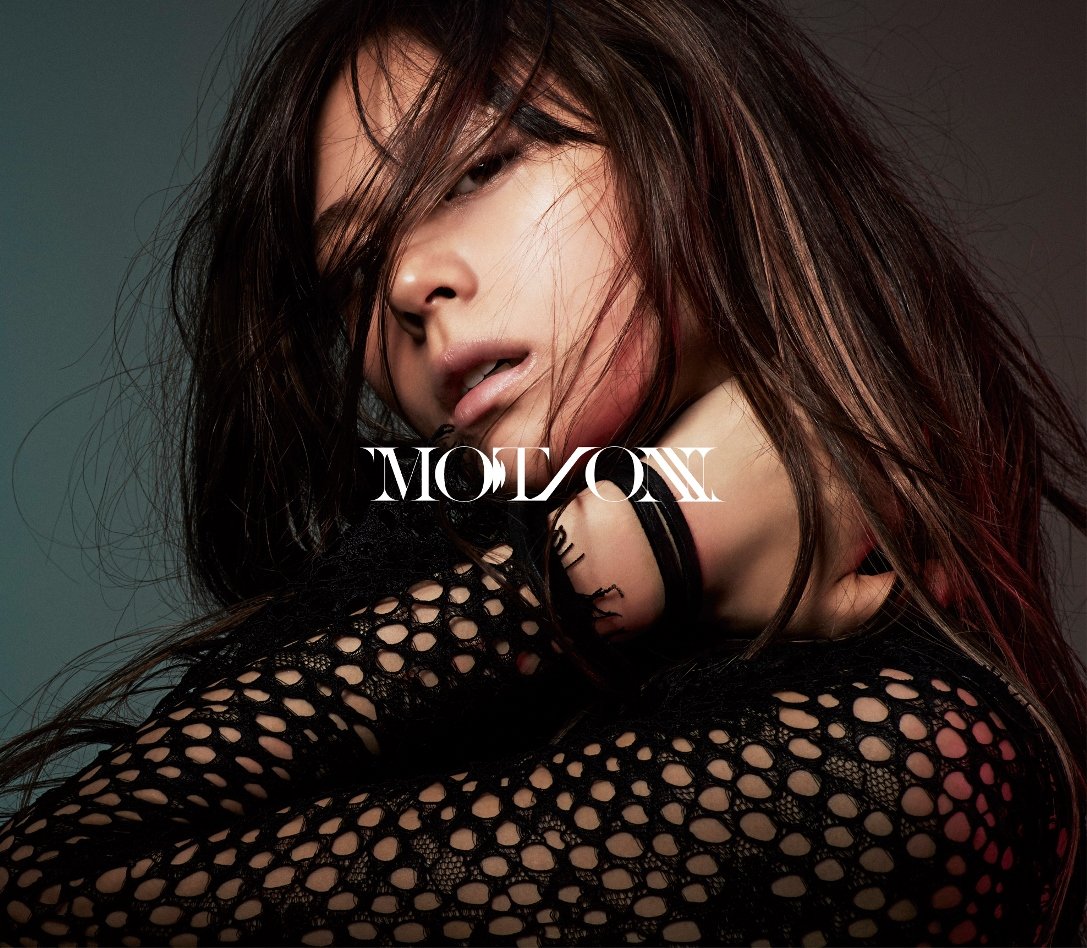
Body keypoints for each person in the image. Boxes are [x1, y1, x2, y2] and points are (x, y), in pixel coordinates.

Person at [1, 0, 1084, 944]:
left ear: (691, 137)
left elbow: (45, 898)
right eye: (356, 266)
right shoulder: (439, 598)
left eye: (481, 166)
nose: (408, 283)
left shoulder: (897, 759)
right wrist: (639, 541)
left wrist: (631, 544)